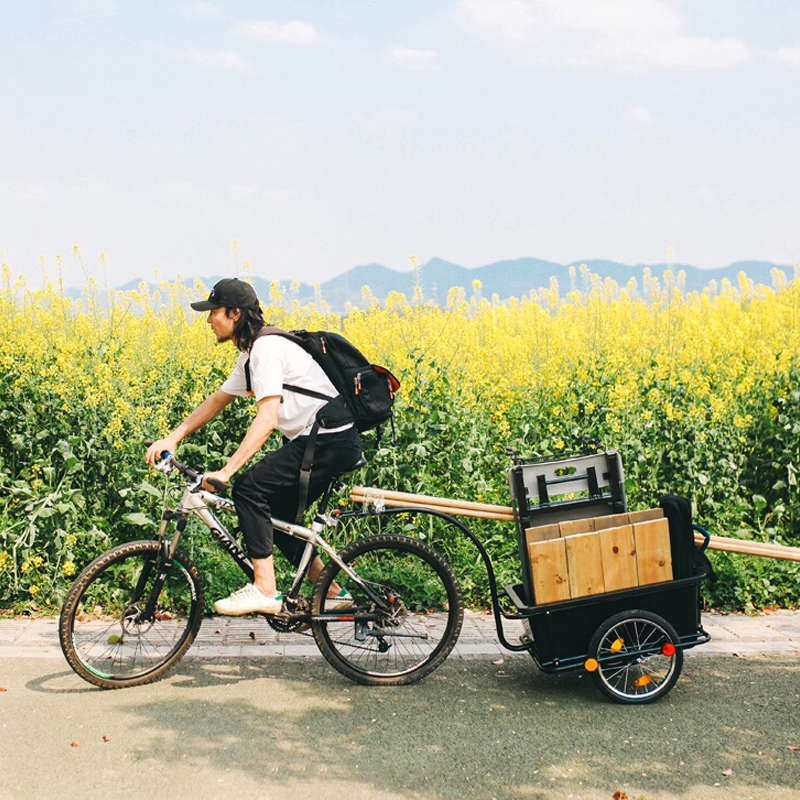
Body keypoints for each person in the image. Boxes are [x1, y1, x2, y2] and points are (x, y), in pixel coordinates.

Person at [145, 278, 363, 615]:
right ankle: (334, 592)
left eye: (213, 312)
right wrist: (173, 437)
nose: (208, 320)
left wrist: (228, 472)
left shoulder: (266, 350)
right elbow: (218, 399)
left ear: (234, 313)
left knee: (248, 490)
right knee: (279, 519)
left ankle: (265, 589)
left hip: (328, 440)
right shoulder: (252, 353)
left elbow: (267, 418)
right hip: (325, 439)